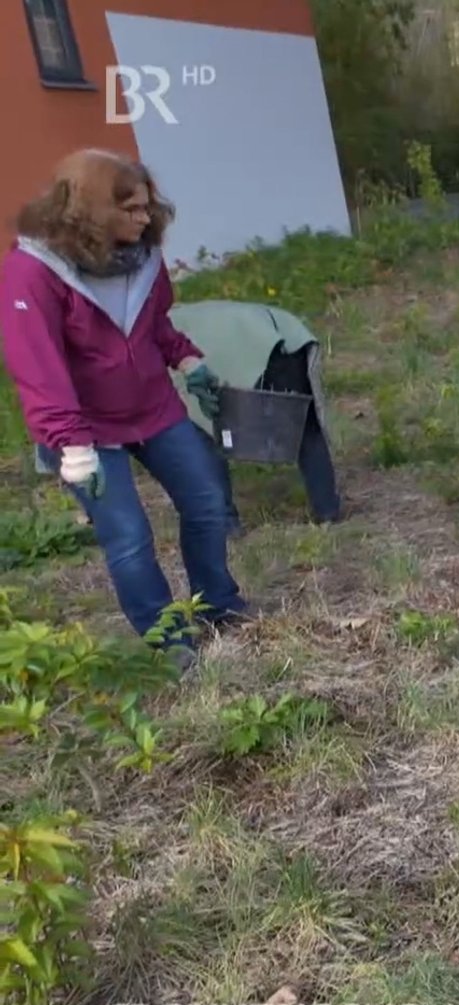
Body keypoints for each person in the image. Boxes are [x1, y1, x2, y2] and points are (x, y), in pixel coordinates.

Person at [1, 149, 248, 668]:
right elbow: (38, 367)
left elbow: (154, 326)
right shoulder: (32, 271)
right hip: (84, 432)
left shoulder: (143, 257)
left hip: (152, 408)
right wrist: (72, 446)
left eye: (146, 206)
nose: (145, 217)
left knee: (206, 502)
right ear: (89, 211)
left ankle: (219, 606)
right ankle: (168, 639)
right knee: (130, 537)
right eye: (131, 209)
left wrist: (188, 363)